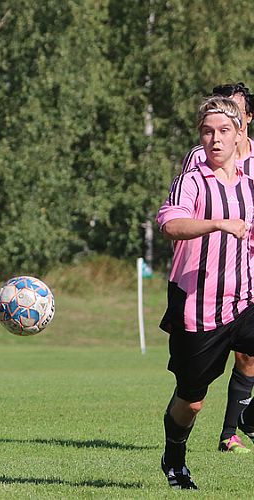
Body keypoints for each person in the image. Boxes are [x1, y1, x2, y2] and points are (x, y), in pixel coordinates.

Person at [157, 96, 254, 489]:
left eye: (224, 131)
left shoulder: (250, 186)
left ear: (239, 135)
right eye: (208, 131)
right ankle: (174, 459)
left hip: (245, 302)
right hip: (198, 310)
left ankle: (248, 417)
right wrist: (217, 223)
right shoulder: (191, 181)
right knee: (191, 401)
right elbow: (171, 225)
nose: (215, 139)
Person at [179, 82, 254, 454]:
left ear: (246, 121)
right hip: (206, 283)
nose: (219, 133)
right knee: (195, 391)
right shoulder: (197, 161)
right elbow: (181, 215)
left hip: (248, 275)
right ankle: (186, 439)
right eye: (212, 127)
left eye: (234, 113)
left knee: (249, 354)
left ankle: (234, 429)